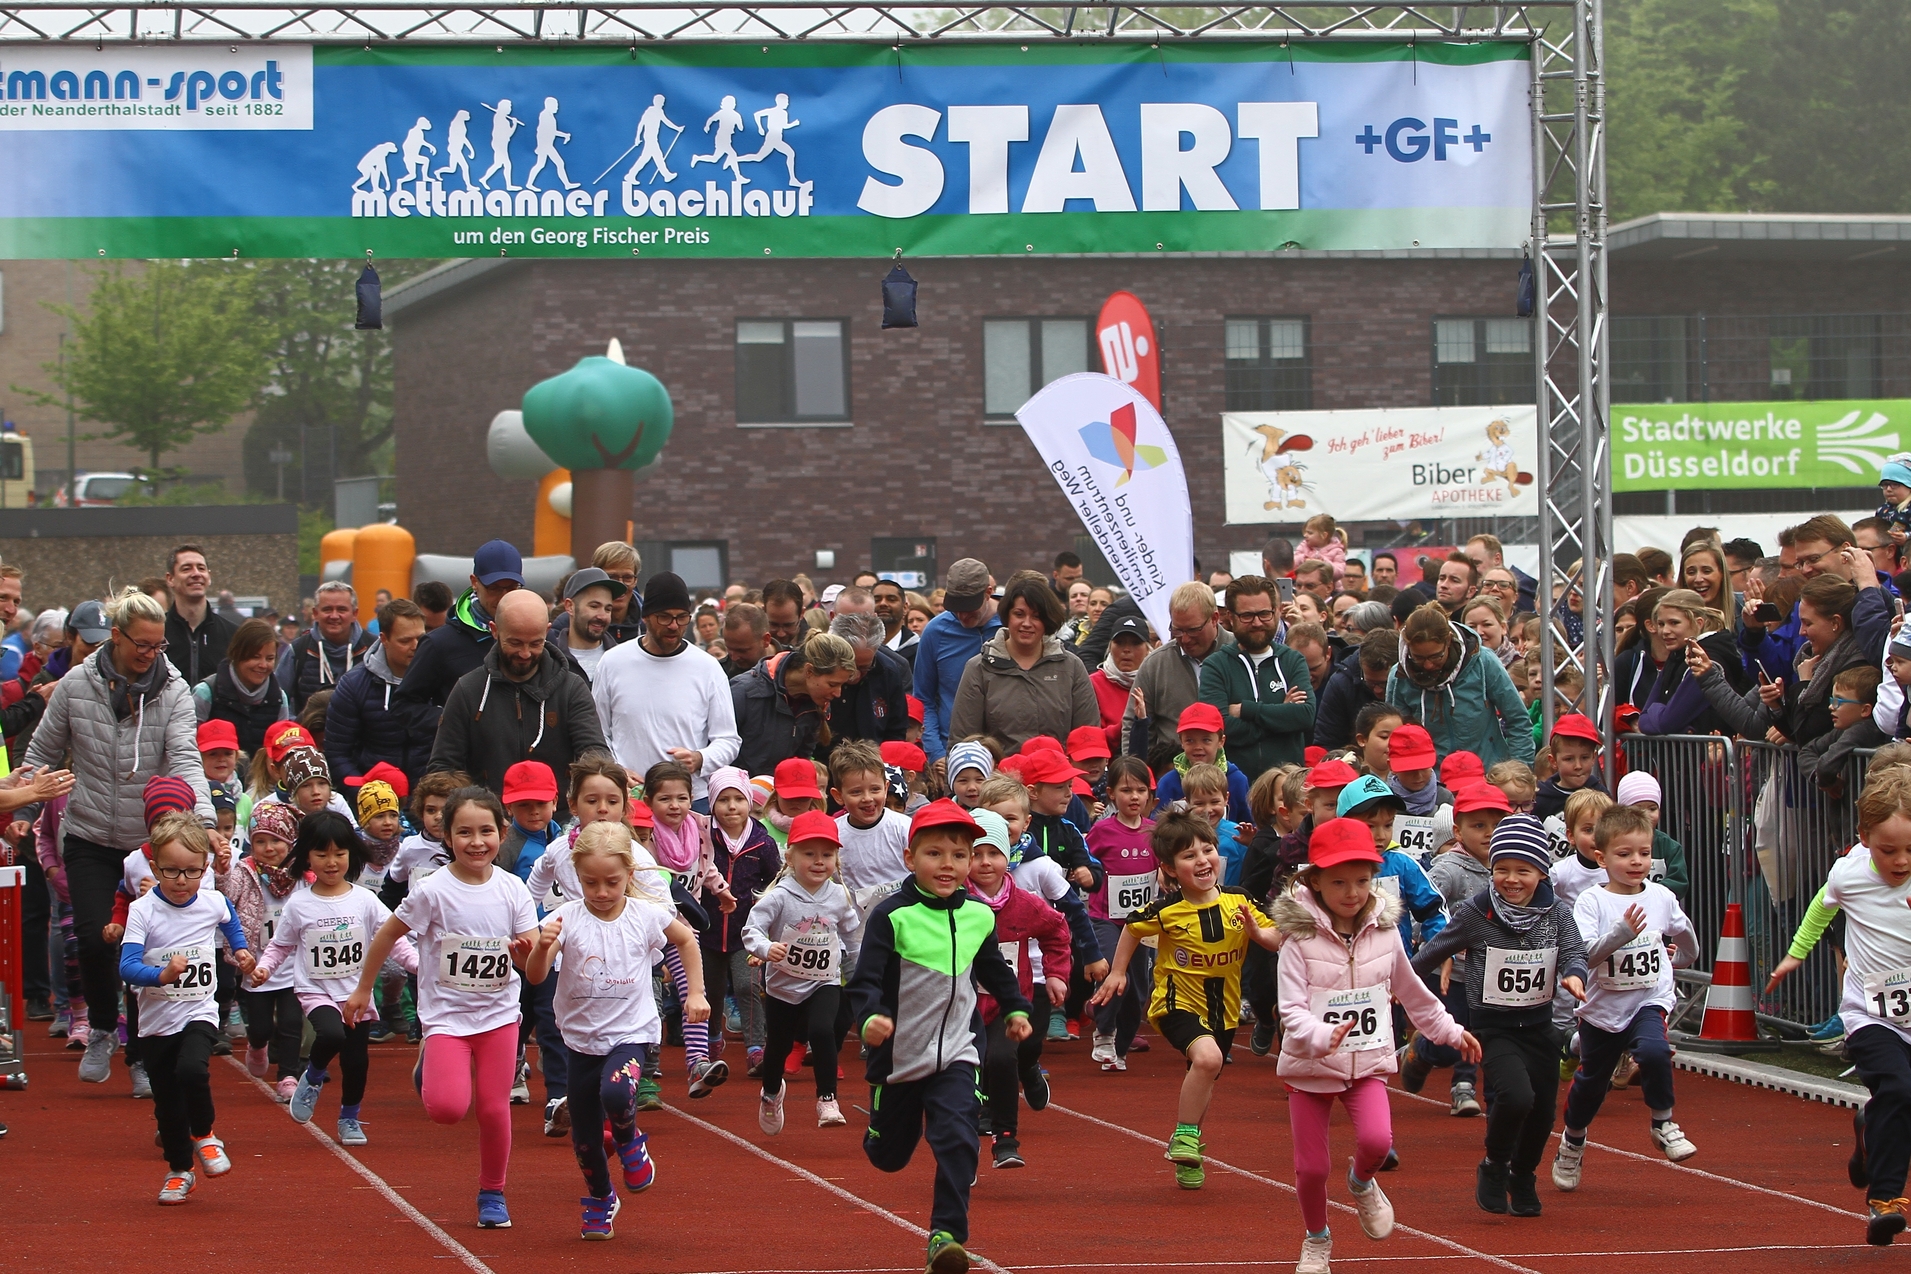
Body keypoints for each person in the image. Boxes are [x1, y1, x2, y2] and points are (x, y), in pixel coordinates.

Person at [25, 586, 216, 1086]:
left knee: (143, 947)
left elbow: (184, 757)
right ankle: (104, 1029)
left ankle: (138, 1055)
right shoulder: (73, 685)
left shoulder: (173, 690)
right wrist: (20, 808)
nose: (151, 654)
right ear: (115, 637)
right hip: (87, 833)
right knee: (92, 937)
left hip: (146, 842)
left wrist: (208, 825)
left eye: (159, 646)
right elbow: (41, 752)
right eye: (142, 645)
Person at [1274, 817, 1481, 1274]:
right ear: (1314, 882)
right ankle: (1317, 1239)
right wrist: (1319, 1036)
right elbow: (1290, 1010)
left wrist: (1449, 1030)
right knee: (1310, 1169)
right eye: (1339, 881)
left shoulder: (1386, 934)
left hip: (1366, 1064)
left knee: (1376, 1141)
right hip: (1310, 1070)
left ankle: (1361, 1183)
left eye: (1363, 880)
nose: (1352, 892)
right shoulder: (1297, 941)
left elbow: (1412, 992)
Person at [346, 786, 541, 1230]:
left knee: (494, 1109)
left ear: (502, 832)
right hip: (447, 1019)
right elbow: (386, 934)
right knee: (448, 1110)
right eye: (465, 832)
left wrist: (522, 954)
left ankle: (492, 1192)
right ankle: (428, 1065)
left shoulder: (514, 891)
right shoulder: (432, 891)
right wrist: (361, 989)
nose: (477, 842)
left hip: (498, 1017)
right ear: (447, 837)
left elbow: (531, 968)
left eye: (486, 831)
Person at [849, 800, 1032, 1274]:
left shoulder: (978, 915)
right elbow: (865, 982)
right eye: (934, 854)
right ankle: (878, 1129)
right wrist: (870, 1019)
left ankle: (947, 1236)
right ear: (910, 858)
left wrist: (1015, 1008)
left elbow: (993, 968)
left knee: (958, 1137)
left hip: (957, 1051)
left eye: (958, 854)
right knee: (888, 1157)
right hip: (900, 1057)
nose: (947, 865)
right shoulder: (891, 917)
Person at [525, 819, 704, 1241]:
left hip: (631, 1034)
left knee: (617, 1092)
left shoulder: (646, 915)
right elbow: (534, 977)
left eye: (612, 882)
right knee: (585, 1140)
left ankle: (628, 1138)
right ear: (576, 877)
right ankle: (602, 1197)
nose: (602, 892)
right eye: (591, 883)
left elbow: (688, 941)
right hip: (581, 1042)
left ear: (629, 874)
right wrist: (541, 945)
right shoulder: (564, 918)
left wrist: (695, 992)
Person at [1090, 812, 1281, 1190]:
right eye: (1188, 856)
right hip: (1175, 1004)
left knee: (1206, 1073)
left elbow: (1277, 941)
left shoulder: (1239, 901)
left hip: (1223, 1011)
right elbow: (1131, 927)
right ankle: (1185, 1136)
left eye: (1207, 850)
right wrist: (1117, 972)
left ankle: (1190, 1145)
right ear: (1170, 869)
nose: (1202, 860)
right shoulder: (1166, 910)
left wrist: (1259, 933)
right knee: (1208, 1059)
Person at [1411, 815, 1588, 1218]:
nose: (1511, 879)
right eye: (1502, 869)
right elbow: (1435, 950)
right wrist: (1396, 981)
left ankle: (1522, 1175)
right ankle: (1493, 1164)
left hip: (1540, 1026)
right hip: (1494, 1027)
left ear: (1541, 873)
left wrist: (1574, 976)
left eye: (1523, 871)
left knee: (1543, 1111)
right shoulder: (1477, 912)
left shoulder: (1557, 913)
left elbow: (1574, 951)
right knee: (1515, 1096)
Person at [1765, 768, 1911, 1244]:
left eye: (1910, 849)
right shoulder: (1849, 873)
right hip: (1869, 1014)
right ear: (1864, 838)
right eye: (1889, 851)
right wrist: (1794, 954)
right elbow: (1822, 907)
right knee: (1899, 1088)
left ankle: (1870, 1132)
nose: (1901, 861)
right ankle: (1885, 1200)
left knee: (1898, 1102)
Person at [1551, 804, 1702, 1194]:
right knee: (1591, 1085)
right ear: (1601, 857)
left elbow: (1685, 935)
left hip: (1648, 999)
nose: (1637, 862)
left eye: (1644, 853)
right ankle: (1573, 1139)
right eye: (1624, 854)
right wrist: (1619, 934)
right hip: (1603, 1010)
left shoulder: (1662, 897)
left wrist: (1681, 959)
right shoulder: (1591, 902)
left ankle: (1663, 1122)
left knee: (1654, 1052)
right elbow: (1583, 956)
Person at [250, 811, 420, 1144]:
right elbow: (280, 945)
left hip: (357, 992)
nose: (331, 862)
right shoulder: (299, 904)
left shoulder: (365, 900)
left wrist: (417, 965)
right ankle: (312, 1076)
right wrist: (264, 969)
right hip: (316, 991)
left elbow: (393, 939)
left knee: (356, 1062)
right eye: (322, 854)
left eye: (339, 854)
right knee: (330, 1035)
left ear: (351, 856)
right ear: (307, 857)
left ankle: (349, 1118)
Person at [119, 814, 254, 1205]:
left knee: (193, 1069)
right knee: (167, 1106)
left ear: (205, 867)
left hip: (199, 1011)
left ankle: (207, 1135)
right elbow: (127, 966)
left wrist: (240, 948)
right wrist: (161, 975)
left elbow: (228, 916)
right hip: (155, 1023)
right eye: (171, 871)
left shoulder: (211, 900)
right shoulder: (143, 910)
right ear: (155, 867)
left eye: (191, 871)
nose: (181, 880)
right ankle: (180, 1169)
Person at [965, 806, 1071, 1171]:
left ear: (1007, 856)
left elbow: (1058, 931)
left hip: (1012, 1002)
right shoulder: (953, 902)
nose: (984, 862)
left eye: (993, 853)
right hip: (962, 1004)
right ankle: (975, 1129)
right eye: (975, 853)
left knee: (1006, 1056)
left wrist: (1057, 973)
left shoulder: (1024, 904)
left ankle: (1005, 1138)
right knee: (975, 1065)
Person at [428, 591, 610, 797]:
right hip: (488, 822)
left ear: (547, 631)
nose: (525, 654)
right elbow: (443, 768)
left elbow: (595, 755)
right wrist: (476, 811)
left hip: (558, 819)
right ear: (494, 631)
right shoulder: (468, 689)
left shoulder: (571, 688)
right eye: (515, 643)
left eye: (535, 643)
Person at [746, 810, 863, 1133]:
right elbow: (751, 930)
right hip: (783, 987)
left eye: (827, 854)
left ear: (837, 858)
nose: (818, 861)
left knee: (823, 1030)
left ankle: (827, 1099)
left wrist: (864, 967)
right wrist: (766, 949)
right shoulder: (780, 896)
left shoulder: (839, 896)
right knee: (778, 1048)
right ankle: (771, 1093)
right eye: (809, 853)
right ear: (790, 855)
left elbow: (852, 936)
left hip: (824, 981)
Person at [594, 571, 741, 808]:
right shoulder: (612, 663)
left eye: (682, 617)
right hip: (633, 798)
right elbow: (598, 733)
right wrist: (615, 769)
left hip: (691, 801)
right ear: (646, 617)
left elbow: (728, 739)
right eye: (664, 617)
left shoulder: (707, 667)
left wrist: (701, 758)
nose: (674, 626)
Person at [949, 574, 1097, 755]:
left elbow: (1089, 739)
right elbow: (964, 743)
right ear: (1006, 615)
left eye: (1036, 616)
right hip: (1000, 780)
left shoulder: (1071, 667)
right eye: (1019, 614)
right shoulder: (979, 668)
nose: (1027, 623)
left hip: (1060, 780)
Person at [1388, 602, 1533, 766]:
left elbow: (1518, 720)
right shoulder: (1399, 676)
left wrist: (1521, 772)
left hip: (1487, 773)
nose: (1428, 665)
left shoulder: (1483, 662)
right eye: (1419, 658)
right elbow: (1397, 736)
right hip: (1432, 780)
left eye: (1436, 656)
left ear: (1449, 641)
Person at [1199, 575, 1315, 778]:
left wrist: (1247, 710)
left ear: (1277, 612)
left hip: (1287, 789)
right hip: (1234, 789)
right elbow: (1218, 728)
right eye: (1247, 616)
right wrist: (1281, 716)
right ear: (1231, 618)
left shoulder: (1292, 660)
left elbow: (1305, 715)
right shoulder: (1216, 666)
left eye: (1264, 614)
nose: (1257, 622)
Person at [1086, 756, 1157, 1069]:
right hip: (1106, 919)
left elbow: (1166, 863)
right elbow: (1086, 859)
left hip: (1141, 923)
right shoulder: (1102, 832)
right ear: (1111, 793)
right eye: (1127, 790)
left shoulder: (1155, 831)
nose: (1135, 797)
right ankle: (1103, 1031)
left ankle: (1123, 1045)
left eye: (1141, 790)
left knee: (1139, 988)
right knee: (1117, 972)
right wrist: (1085, 872)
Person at [399, 541, 526, 709]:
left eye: (511, 588)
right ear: (475, 582)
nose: (503, 596)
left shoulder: (539, 638)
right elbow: (404, 705)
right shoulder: (438, 644)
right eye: (494, 588)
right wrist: (453, 726)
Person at [326, 597, 433, 787]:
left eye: (421, 638)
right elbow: (338, 754)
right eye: (405, 641)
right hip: (373, 800)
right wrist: (365, 795)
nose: (416, 646)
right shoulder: (353, 685)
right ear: (384, 639)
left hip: (430, 800)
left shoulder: (440, 678)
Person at [1132, 581, 1235, 774]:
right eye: (1177, 630)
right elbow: (1134, 724)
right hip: (1172, 779)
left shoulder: (1239, 654)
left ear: (1214, 619)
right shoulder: (1155, 664)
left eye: (1194, 630)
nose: (1185, 639)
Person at [731, 630, 859, 777]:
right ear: (809, 671)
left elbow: (802, 757)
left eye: (841, 685)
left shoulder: (816, 705)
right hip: (738, 793)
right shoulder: (744, 692)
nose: (838, 693)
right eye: (832, 684)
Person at [912, 559, 1002, 767]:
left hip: (1005, 751)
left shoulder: (1013, 623)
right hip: (954, 753)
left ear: (988, 593)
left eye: (969, 608)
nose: (962, 615)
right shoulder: (936, 631)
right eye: (955, 608)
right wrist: (935, 752)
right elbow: (923, 698)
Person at [192, 617, 295, 757]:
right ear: (237, 654)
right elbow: (189, 745)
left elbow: (281, 752)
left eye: (269, 658)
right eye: (255, 657)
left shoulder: (278, 698)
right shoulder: (206, 692)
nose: (263, 665)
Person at [279, 581, 375, 714]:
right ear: (315, 613)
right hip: (311, 733)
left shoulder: (374, 650)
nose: (334, 616)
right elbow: (278, 700)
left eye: (341, 609)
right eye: (327, 609)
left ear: (354, 614)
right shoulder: (298, 650)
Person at [827, 601, 912, 747]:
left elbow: (896, 731)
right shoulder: (820, 667)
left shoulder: (889, 671)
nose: (855, 675)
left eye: (864, 667)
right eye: (849, 666)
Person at [163, 544, 237, 687]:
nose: (196, 573)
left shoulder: (233, 635)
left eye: (201, 568)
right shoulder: (157, 634)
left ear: (209, 577)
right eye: (186, 568)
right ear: (170, 579)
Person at [550, 567, 629, 682]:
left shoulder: (623, 660)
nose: (602, 616)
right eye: (594, 606)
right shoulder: (549, 660)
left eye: (608, 609)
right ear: (569, 606)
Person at [1089, 613, 1149, 754]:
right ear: (1110, 647)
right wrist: (1126, 724)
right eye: (1120, 642)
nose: (1126, 649)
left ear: (1148, 649)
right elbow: (1089, 737)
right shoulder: (1092, 684)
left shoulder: (1156, 682)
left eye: (1135, 643)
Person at [871, 578, 919, 666]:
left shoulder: (920, 650)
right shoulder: (858, 648)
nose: (883, 603)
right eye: (877, 600)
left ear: (905, 608)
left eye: (891, 599)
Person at [717, 603, 769, 679]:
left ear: (765, 640)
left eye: (742, 651)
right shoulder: (719, 673)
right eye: (729, 649)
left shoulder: (789, 664)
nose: (734, 658)